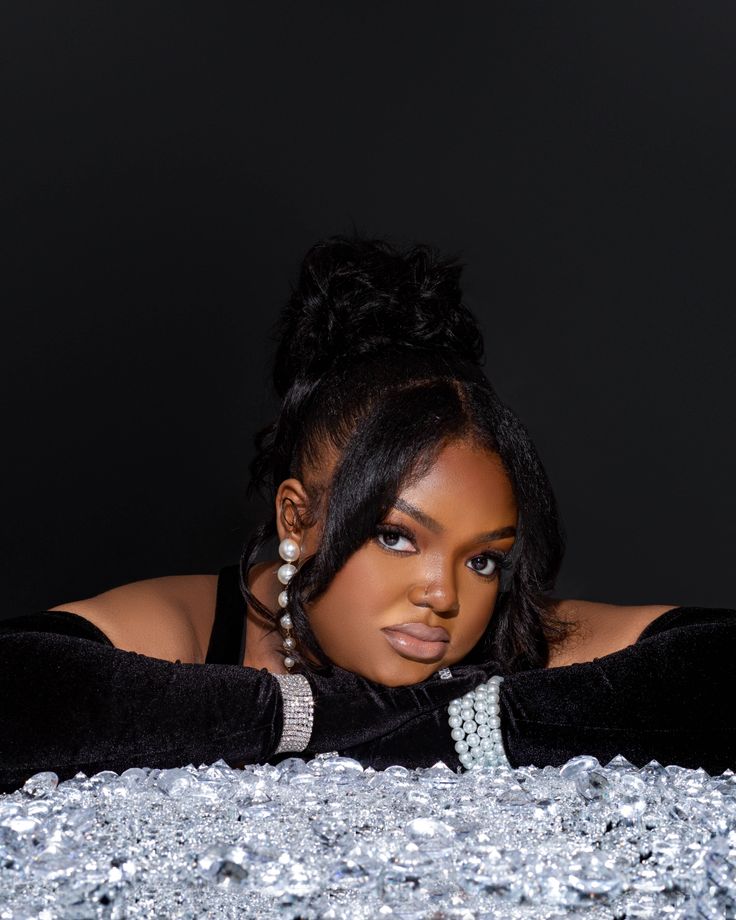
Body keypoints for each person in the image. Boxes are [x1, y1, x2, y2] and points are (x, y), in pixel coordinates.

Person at [1, 236, 734, 794]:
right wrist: (313, 715)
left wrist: (463, 721)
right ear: (296, 519)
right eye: (395, 536)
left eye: (483, 559)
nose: (444, 596)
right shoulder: (193, 625)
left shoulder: (512, 631)